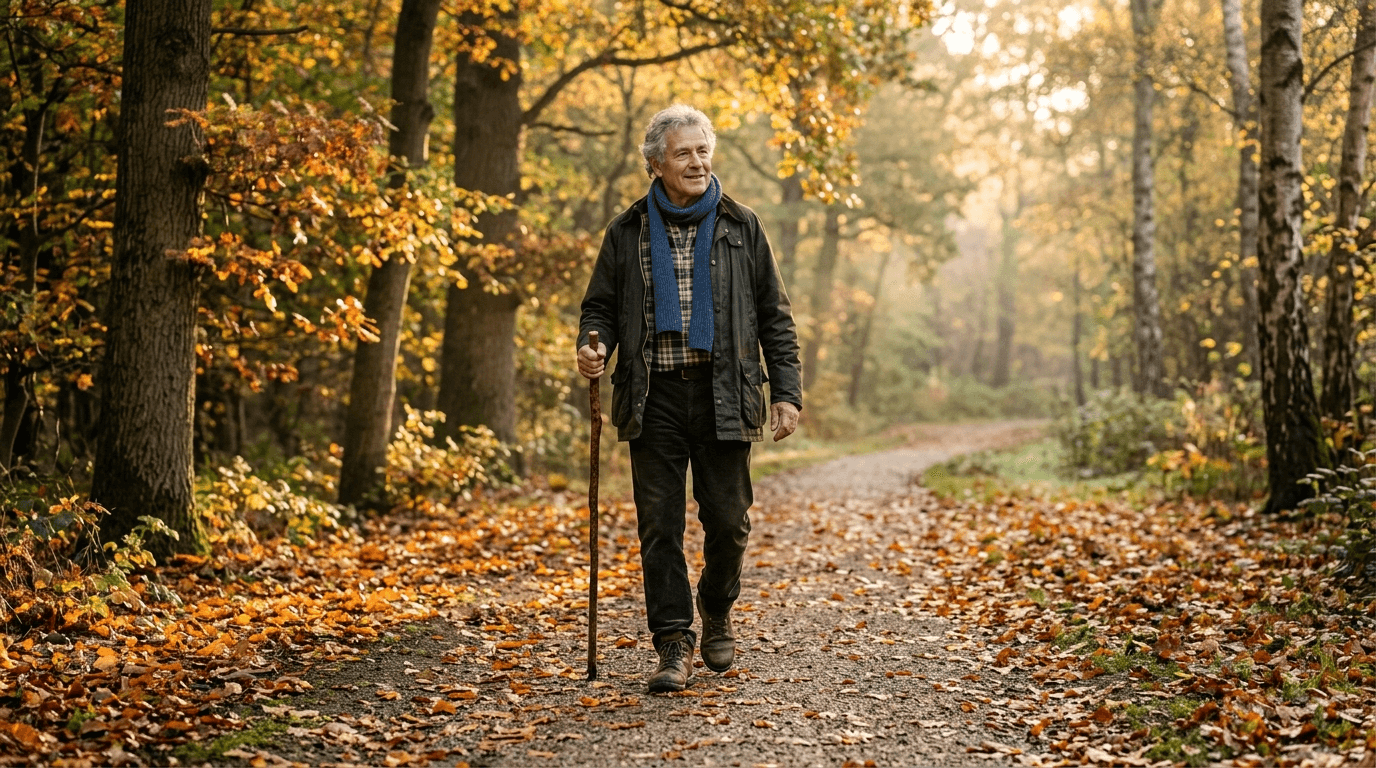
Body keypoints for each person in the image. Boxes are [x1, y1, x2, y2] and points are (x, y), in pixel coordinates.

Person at [577, 104, 803, 693]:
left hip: (724, 393)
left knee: (728, 523)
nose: (697, 162)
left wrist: (787, 393)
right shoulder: (626, 232)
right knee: (659, 527)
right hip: (653, 396)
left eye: (703, 150)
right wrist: (592, 346)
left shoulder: (742, 226)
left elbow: (775, 317)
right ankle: (673, 641)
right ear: (656, 164)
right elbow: (599, 307)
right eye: (683, 153)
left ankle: (717, 609)